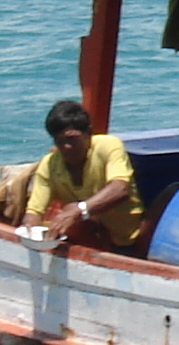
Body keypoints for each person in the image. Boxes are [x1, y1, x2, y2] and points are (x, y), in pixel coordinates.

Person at [23, 99, 151, 253]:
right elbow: (35, 210)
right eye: (59, 141)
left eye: (72, 139)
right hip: (93, 237)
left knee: (71, 209)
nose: (66, 147)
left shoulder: (108, 146)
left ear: (88, 133)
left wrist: (79, 211)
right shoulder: (49, 164)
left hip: (131, 237)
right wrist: (31, 231)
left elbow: (120, 189)